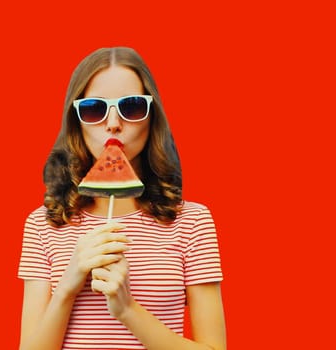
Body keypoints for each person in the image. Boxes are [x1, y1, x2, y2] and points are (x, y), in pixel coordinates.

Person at [18, 47, 226, 350]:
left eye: (131, 107)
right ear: (77, 122)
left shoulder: (192, 222)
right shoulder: (43, 225)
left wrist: (128, 310)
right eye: (94, 109)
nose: (113, 123)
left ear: (151, 117)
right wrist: (68, 285)